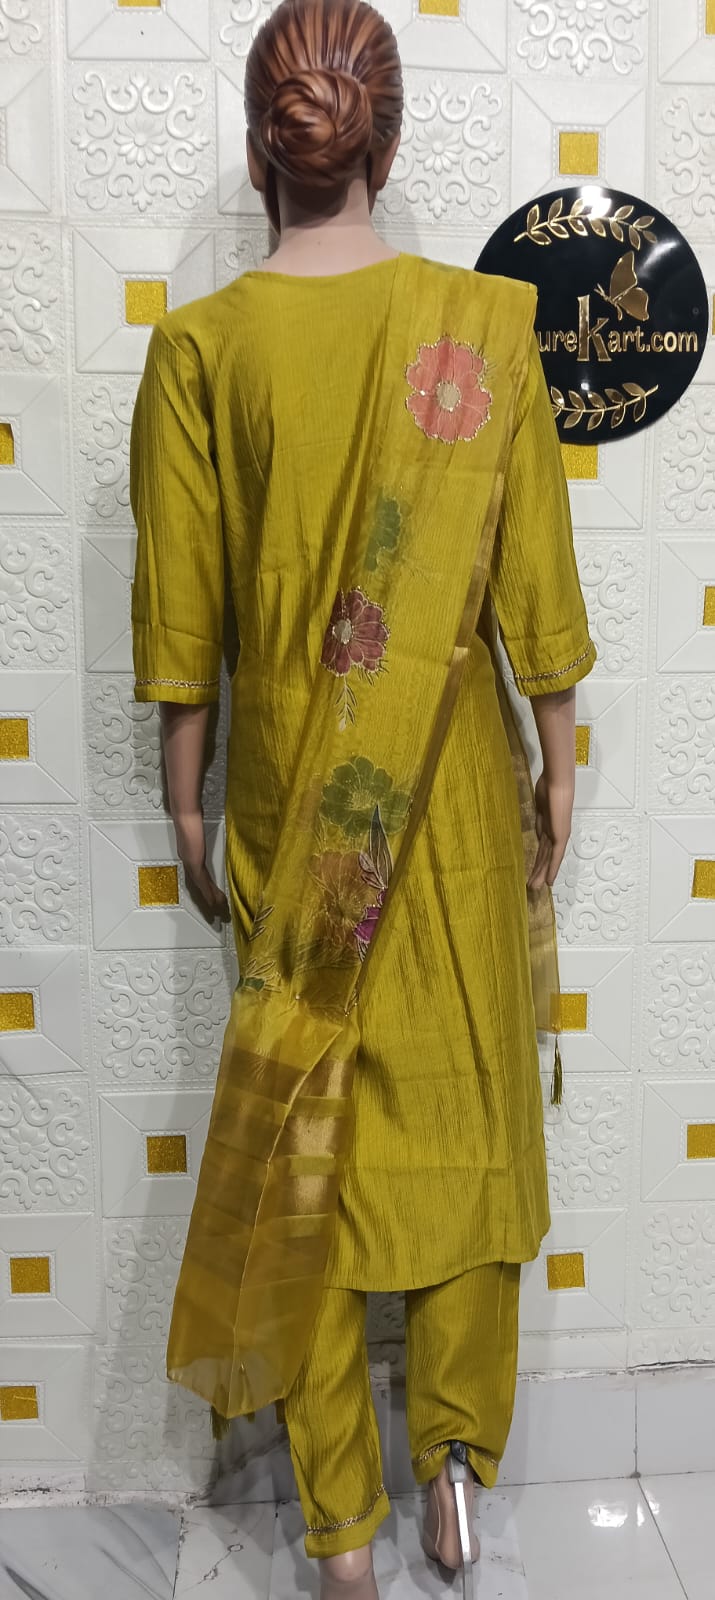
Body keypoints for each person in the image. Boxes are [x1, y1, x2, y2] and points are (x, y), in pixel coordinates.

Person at [130, 1, 596, 1594]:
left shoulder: (201, 348)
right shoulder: (486, 325)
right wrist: (560, 765)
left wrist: (189, 806)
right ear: (379, 143)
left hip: (290, 815)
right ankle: (453, 1467)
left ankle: (340, 1530)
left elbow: (183, 615)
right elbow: (535, 587)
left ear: (266, 142)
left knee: (301, 1150)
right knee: (465, 1127)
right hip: (453, 803)